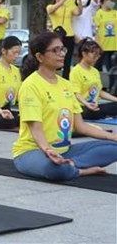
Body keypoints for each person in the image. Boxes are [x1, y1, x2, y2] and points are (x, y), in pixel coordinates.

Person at [14, 31, 117, 181]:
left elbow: (80, 126)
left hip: (65, 150)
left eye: (62, 49)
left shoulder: (66, 85)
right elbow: (35, 128)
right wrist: (47, 150)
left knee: (113, 149)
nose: (61, 54)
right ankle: (79, 170)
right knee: (52, 168)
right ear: (40, 57)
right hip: (32, 151)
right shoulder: (31, 85)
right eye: (55, 50)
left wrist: (113, 136)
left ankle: (70, 165)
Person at [70, 38, 117, 120]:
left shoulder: (95, 71)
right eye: (93, 53)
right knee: (97, 111)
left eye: (98, 54)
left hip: (94, 106)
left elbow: (100, 92)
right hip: (82, 108)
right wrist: (87, 104)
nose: (96, 57)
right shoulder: (76, 71)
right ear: (84, 53)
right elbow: (76, 93)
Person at [46, 0, 82, 79]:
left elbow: (78, 13)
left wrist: (79, 0)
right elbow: (51, 10)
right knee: (56, 57)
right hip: (57, 36)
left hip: (69, 35)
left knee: (67, 58)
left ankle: (66, 78)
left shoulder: (69, 6)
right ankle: (52, 76)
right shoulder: (50, 6)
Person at [94, 0, 116, 86]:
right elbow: (95, 30)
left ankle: (112, 88)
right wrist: (97, 44)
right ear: (104, 1)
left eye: (114, 1)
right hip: (102, 46)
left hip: (114, 46)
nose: (113, 3)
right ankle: (98, 86)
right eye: (111, 0)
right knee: (98, 68)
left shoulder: (115, 13)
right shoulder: (99, 13)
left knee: (113, 69)